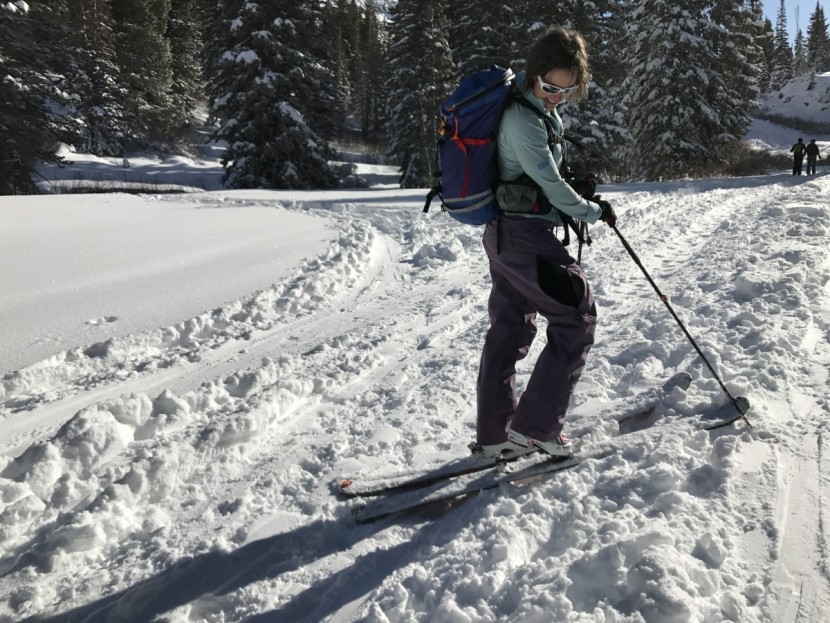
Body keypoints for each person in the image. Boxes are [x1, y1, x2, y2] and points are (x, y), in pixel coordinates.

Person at [474, 26, 616, 459]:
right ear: (534, 74)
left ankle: (496, 435)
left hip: (506, 236)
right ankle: (536, 429)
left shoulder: (534, 110)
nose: (556, 95)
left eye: (566, 91)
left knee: (509, 328)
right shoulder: (522, 118)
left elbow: (539, 176)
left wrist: (577, 189)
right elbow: (551, 187)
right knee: (576, 316)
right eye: (550, 86)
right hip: (523, 238)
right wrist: (593, 211)